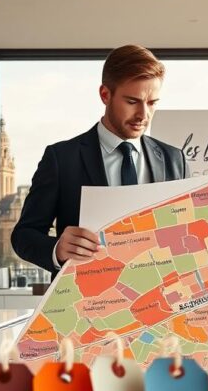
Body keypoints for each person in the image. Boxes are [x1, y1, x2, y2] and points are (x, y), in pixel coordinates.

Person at [11, 45, 188, 275]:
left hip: (161, 302)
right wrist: (57, 249)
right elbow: (23, 235)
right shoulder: (61, 159)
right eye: (132, 101)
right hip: (86, 304)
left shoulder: (174, 160)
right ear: (105, 95)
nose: (143, 115)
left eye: (152, 102)